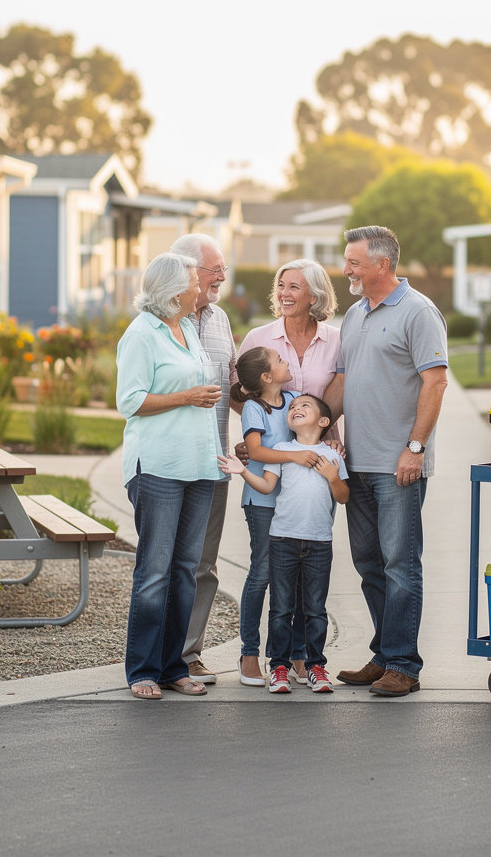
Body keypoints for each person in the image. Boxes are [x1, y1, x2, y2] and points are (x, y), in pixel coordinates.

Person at [324, 225, 448, 697]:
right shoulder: (355, 315)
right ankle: (384, 654)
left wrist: (414, 448)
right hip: (358, 464)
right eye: (346, 260)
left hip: (399, 466)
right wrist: (310, 426)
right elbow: (341, 383)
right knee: (370, 564)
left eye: (353, 262)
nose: (346, 269)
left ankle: (404, 665)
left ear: (382, 264)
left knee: (400, 565)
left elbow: (435, 383)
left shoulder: (418, 312)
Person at [116, 252, 223, 699]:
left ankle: (173, 666)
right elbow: (130, 401)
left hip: (198, 464)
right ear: (173, 290)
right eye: (194, 282)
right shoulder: (142, 334)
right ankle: (142, 670)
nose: (200, 288)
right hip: (157, 466)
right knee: (156, 570)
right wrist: (186, 397)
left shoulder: (187, 329)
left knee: (184, 570)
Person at [219, 393, 348, 695]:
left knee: (315, 609)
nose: (295, 409)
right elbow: (266, 485)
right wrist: (243, 472)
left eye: (305, 406)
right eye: (292, 407)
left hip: (319, 542)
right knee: (281, 608)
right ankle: (279, 667)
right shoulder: (281, 450)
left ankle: (316, 666)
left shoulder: (334, 456)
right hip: (282, 540)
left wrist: (332, 477)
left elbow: (343, 496)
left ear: (324, 421)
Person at [170, 233, 239, 685]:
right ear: (188, 272)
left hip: (214, 462)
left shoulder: (219, 320)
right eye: (213, 269)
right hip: (170, 463)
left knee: (203, 565)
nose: (221, 277)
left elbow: (234, 389)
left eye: (221, 269)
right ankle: (158, 653)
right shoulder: (161, 321)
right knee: (163, 561)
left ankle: (189, 653)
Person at [229, 346, 317, 687]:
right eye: (280, 361)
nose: (286, 363)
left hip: (293, 501)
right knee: (263, 572)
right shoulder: (254, 408)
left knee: (295, 576)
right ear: (266, 377)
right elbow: (256, 451)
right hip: (262, 501)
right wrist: (296, 457)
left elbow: (309, 433)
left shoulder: (294, 398)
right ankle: (249, 652)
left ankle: (296, 654)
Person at [237, 259, 342, 419]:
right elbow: (237, 392)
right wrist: (258, 429)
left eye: (294, 287)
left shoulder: (337, 341)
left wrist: (318, 433)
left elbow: (343, 393)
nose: (284, 293)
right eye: (281, 285)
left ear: (314, 296)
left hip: (322, 441)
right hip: (270, 443)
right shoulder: (257, 338)